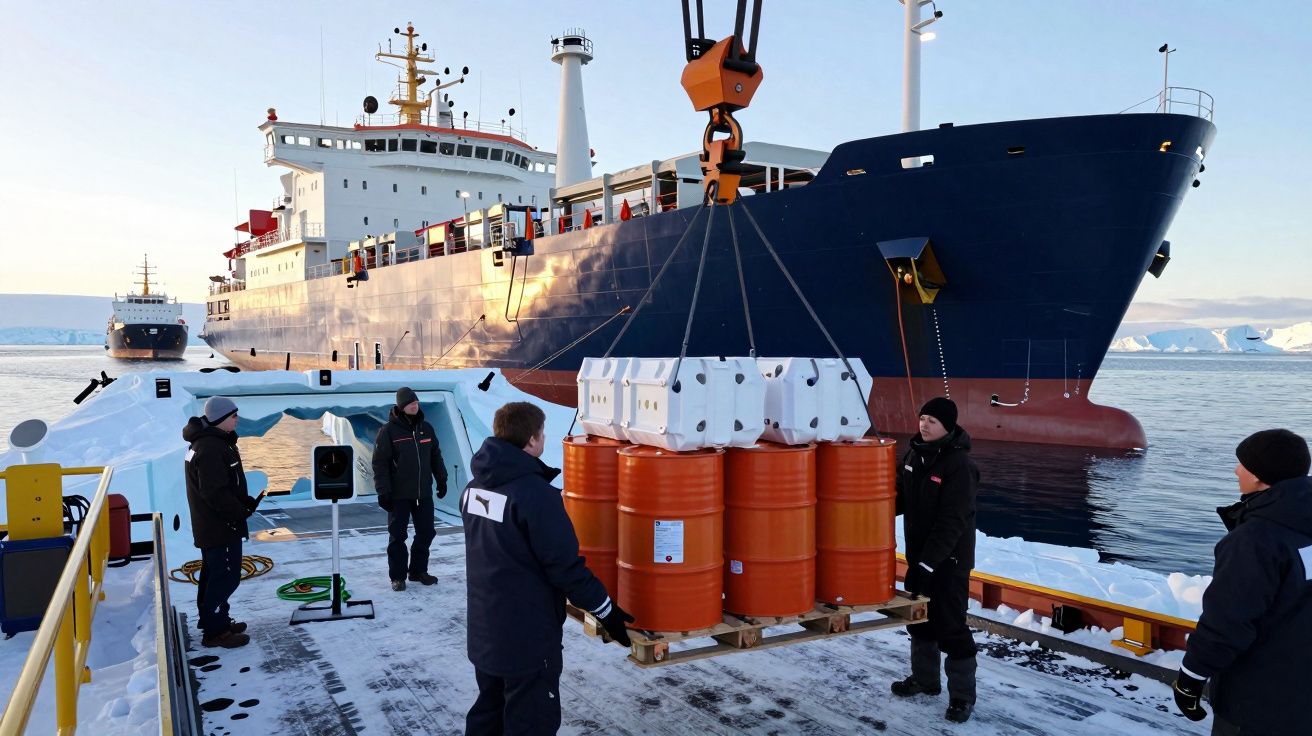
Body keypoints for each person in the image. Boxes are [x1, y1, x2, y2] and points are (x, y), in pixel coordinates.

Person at [461, 401, 633, 736]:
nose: (543, 439)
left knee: (489, 714)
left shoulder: (473, 490)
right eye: (542, 433)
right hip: (527, 639)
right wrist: (606, 611)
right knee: (531, 723)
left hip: (486, 633)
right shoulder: (536, 496)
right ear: (531, 441)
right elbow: (566, 567)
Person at [1172, 428, 1311, 735]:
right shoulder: (1302, 523)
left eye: (1242, 464)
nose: (1236, 470)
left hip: (1257, 702)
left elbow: (1228, 620)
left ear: (1261, 477)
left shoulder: (1255, 540)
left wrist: (1190, 677)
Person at [891, 396, 980, 724]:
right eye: (922, 418)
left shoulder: (960, 467)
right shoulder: (915, 455)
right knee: (920, 621)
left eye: (932, 420)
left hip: (949, 562)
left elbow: (953, 521)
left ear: (948, 426)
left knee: (951, 626)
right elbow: (899, 496)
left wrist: (927, 566)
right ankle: (926, 681)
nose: (924, 424)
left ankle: (961, 697)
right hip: (920, 557)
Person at [183, 396, 258, 649]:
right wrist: (239, 512)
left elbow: (224, 485)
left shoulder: (211, 443)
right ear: (221, 418)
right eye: (233, 415)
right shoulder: (211, 448)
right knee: (225, 577)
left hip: (214, 525)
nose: (237, 418)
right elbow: (214, 492)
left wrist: (243, 502)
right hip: (219, 526)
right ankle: (215, 632)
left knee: (214, 575)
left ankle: (218, 621)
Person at [372, 387, 448, 591]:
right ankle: (397, 577)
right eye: (410, 403)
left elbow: (435, 456)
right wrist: (383, 491)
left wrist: (442, 479)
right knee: (398, 536)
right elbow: (380, 464)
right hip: (399, 495)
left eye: (416, 402)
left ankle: (417, 571)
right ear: (401, 406)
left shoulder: (427, 428)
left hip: (423, 493)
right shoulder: (388, 432)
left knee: (426, 532)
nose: (414, 406)